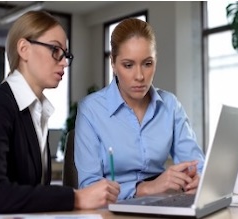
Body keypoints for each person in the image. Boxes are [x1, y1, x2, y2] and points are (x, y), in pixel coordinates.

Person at [0, 11, 120, 214]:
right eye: (55, 50)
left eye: (66, 54)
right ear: (24, 49)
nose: (64, 62)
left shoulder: (36, 112)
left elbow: (35, 192)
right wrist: (76, 197)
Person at [74, 18, 205, 200]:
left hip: (161, 204)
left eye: (147, 63)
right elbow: (89, 187)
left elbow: (195, 165)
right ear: (113, 63)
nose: (140, 76)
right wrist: (147, 188)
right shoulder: (91, 110)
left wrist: (197, 178)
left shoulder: (170, 105)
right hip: (111, 212)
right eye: (128, 65)